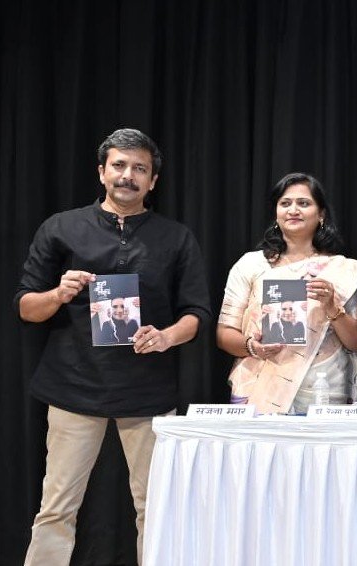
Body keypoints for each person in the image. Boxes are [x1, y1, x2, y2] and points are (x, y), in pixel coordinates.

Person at [15, 128, 211, 563]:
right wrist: (58, 294)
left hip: (148, 391)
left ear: (152, 181)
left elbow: (196, 313)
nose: (128, 175)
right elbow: (27, 308)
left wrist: (166, 336)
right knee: (56, 509)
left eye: (140, 168)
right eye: (119, 165)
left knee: (155, 509)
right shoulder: (61, 227)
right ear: (101, 172)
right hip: (73, 386)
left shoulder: (176, 237)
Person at [218, 172, 357, 413]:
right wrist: (254, 347)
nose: (293, 210)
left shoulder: (345, 270)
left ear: (321, 214)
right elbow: (224, 333)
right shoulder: (251, 265)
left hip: (323, 391)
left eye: (304, 203)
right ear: (276, 213)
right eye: (285, 203)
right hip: (259, 387)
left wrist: (332, 308)